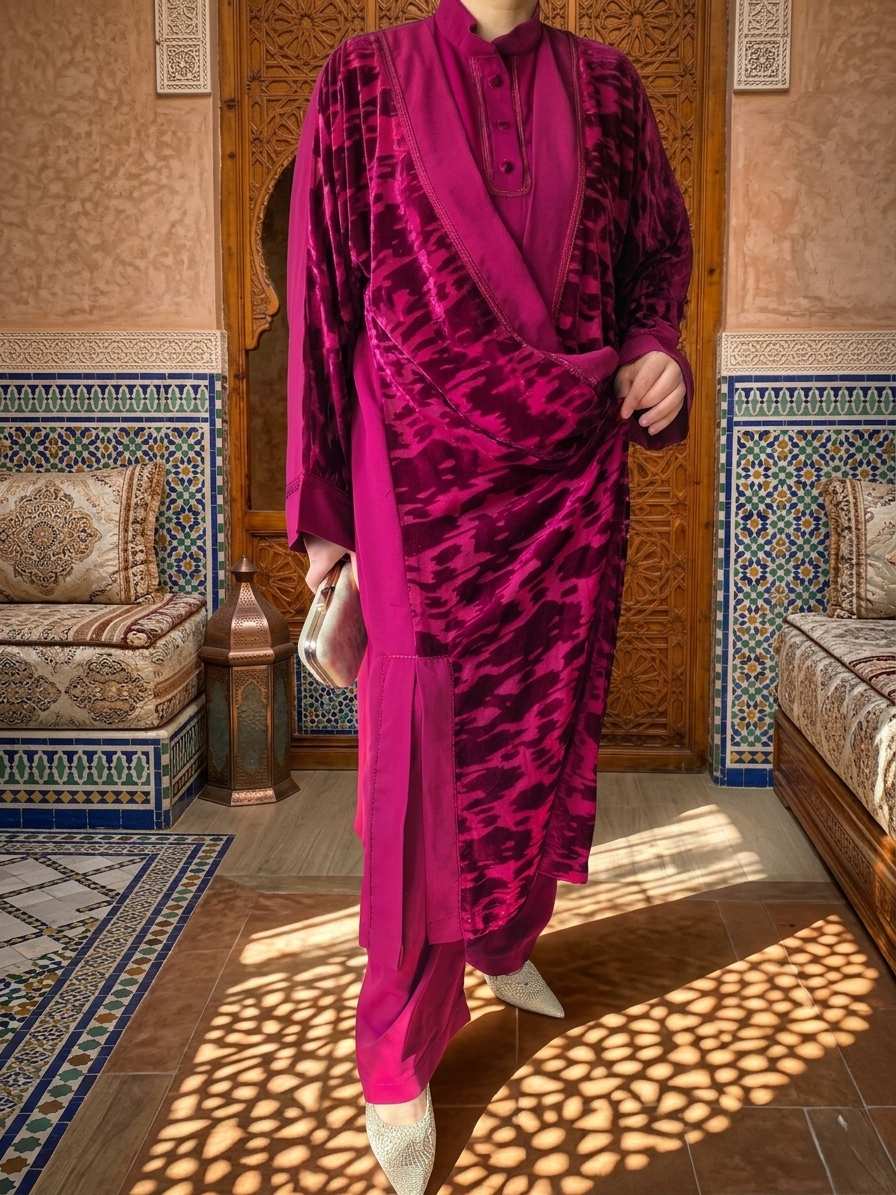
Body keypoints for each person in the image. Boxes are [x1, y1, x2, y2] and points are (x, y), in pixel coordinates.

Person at [286, 0, 692, 1184]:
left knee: (540, 729)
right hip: (412, 490)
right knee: (420, 769)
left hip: (567, 483)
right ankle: (395, 1049)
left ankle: (503, 938)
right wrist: (324, 520)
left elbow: (655, 255)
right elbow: (319, 304)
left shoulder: (612, 88)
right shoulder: (359, 81)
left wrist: (655, 345)